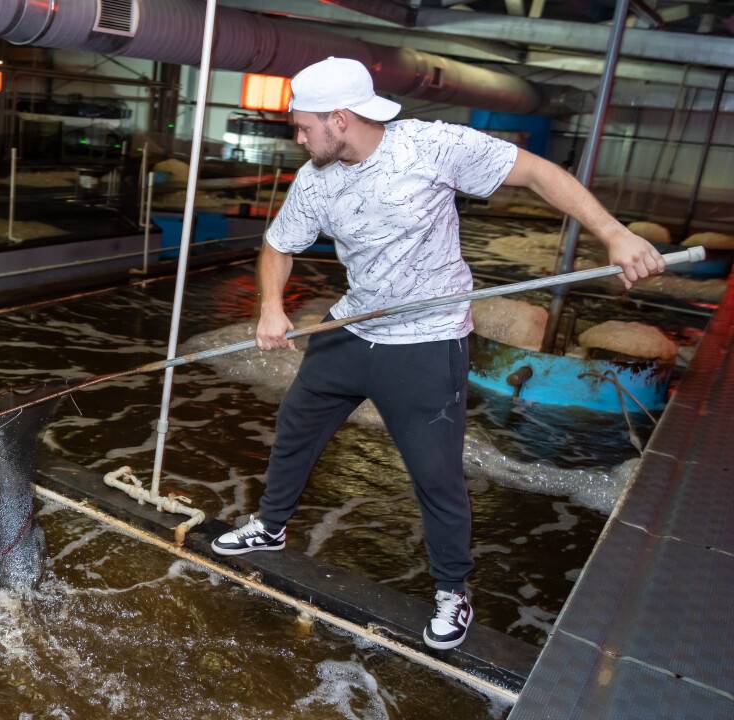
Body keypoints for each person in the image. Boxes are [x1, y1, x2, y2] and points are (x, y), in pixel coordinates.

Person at [210, 57, 664, 650]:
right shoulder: (315, 180)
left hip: (425, 342)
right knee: (295, 431)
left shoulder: (432, 146)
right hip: (350, 330)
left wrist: (614, 233)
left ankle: (453, 591)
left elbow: (537, 174)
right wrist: (271, 305)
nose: (298, 137)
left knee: (436, 476)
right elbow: (277, 244)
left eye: (303, 126)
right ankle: (269, 528)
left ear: (341, 119)